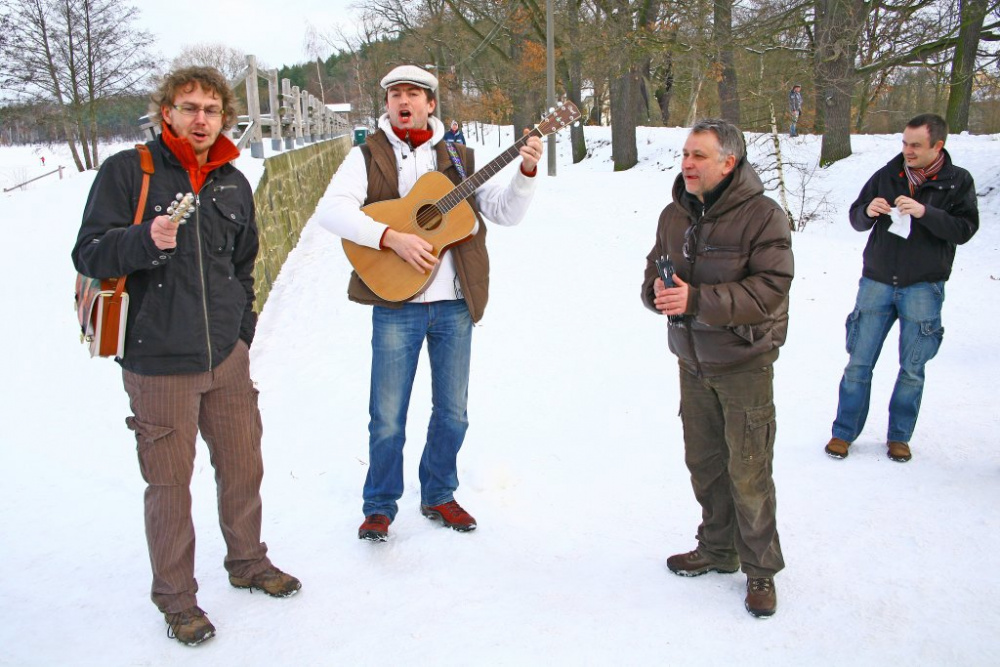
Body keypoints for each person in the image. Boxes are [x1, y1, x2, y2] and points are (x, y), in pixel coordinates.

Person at [71, 66, 300, 647]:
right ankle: (177, 600)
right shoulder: (130, 172)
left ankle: (248, 563)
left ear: (225, 118)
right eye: (189, 107)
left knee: (243, 465)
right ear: (165, 112)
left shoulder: (232, 181)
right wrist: (145, 239)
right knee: (169, 486)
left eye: (212, 110)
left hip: (226, 358)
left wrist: (242, 332)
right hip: (157, 362)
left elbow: (244, 264)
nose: (201, 119)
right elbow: (90, 253)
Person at [316, 64, 543, 542]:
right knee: (387, 415)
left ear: (430, 104)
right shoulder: (367, 155)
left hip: (454, 306)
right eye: (396, 93)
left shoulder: (459, 157)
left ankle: (439, 493)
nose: (404, 101)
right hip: (395, 303)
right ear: (387, 104)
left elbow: (504, 213)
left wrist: (524, 172)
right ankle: (379, 505)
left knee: (453, 412)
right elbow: (331, 210)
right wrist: (389, 237)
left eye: (414, 94)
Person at [641, 118, 793, 618]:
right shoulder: (673, 214)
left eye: (699, 156)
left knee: (748, 472)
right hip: (691, 362)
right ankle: (718, 548)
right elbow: (651, 274)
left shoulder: (763, 216)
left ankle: (761, 571)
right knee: (705, 465)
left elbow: (770, 289)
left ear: (729, 162)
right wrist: (657, 294)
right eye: (685, 153)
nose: (687, 163)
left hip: (743, 363)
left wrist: (698, 299)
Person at [824, 113, 978, 463]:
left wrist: (926, 213)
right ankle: (843, 433)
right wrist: (868, 209)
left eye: (915, 145)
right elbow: (855, 218)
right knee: (858, 363)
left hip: (923, 287)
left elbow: (965, 230)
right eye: (905, 143)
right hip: (877, 281)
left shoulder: (957, 182)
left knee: (912, 368)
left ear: (937, 145)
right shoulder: (887, 175)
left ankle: (899, 437)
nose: (907, 151)